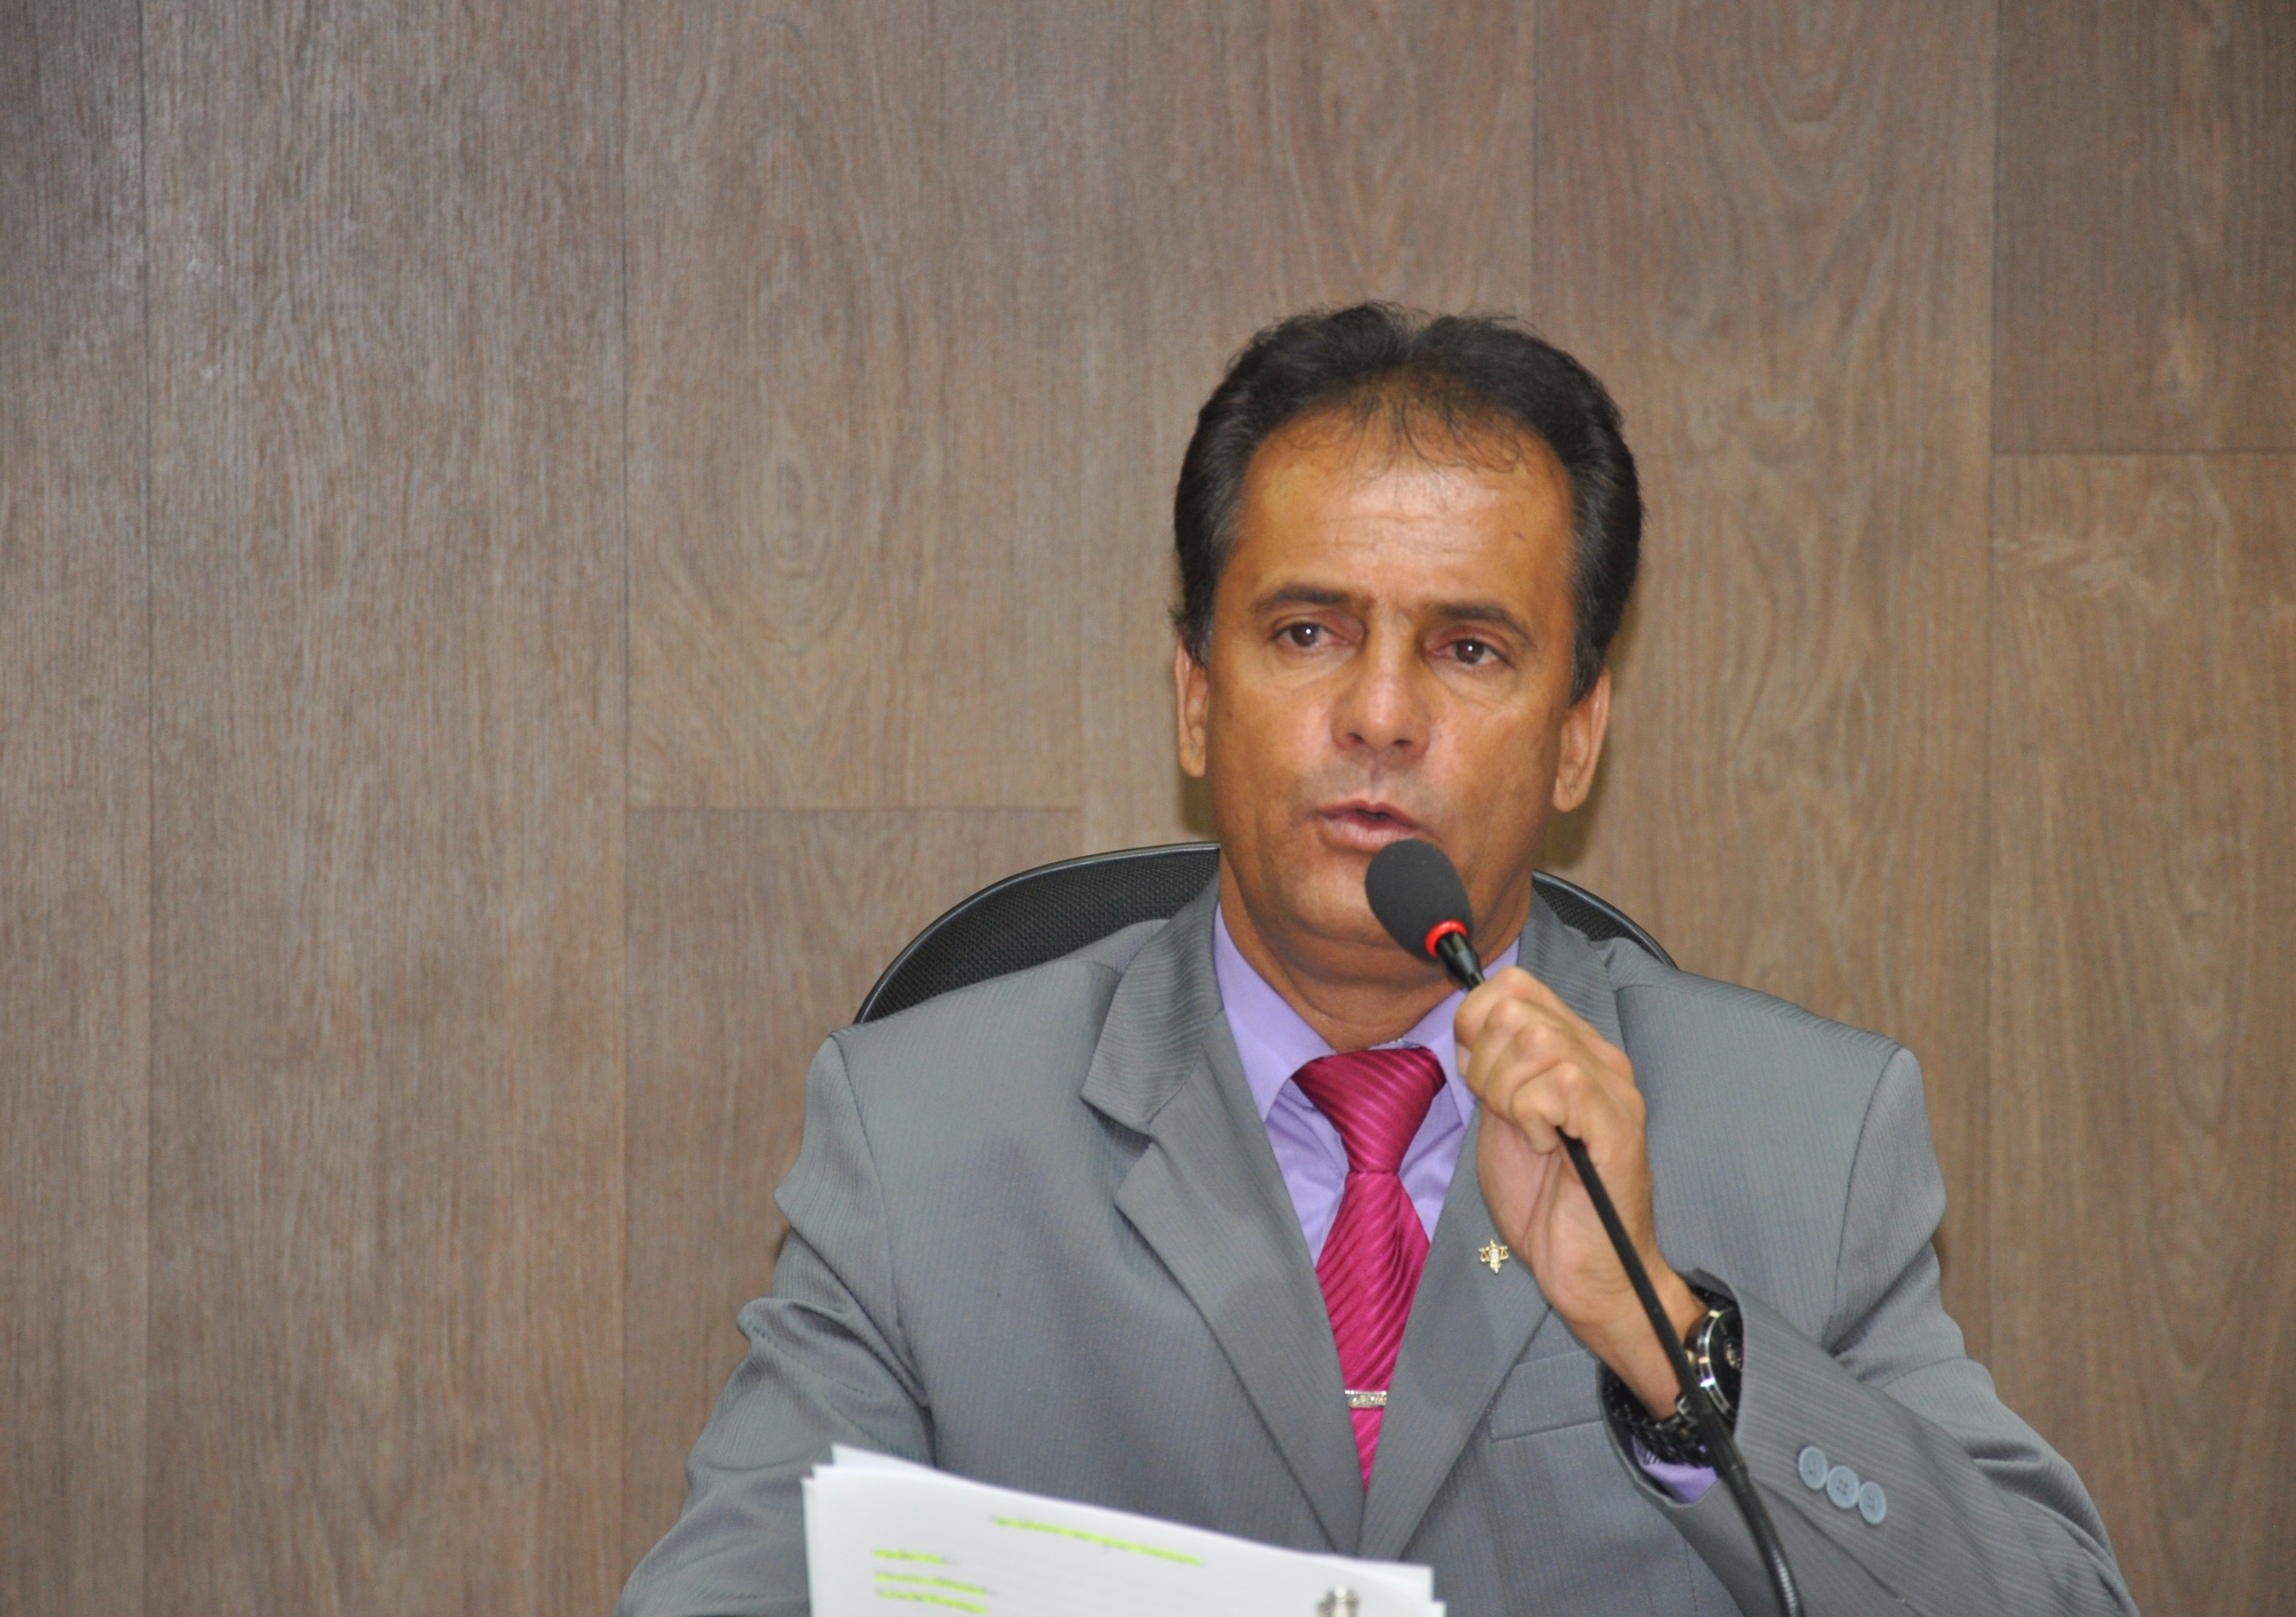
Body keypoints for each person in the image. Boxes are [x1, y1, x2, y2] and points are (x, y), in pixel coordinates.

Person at [619, 304, 2135, 1615]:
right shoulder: (922, 1134)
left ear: (1577, 736)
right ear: (1196, 698)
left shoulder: (1809, 1134)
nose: (1381, 715)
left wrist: (1672, 1346)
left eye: (1469, 648)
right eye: (1307, 632)